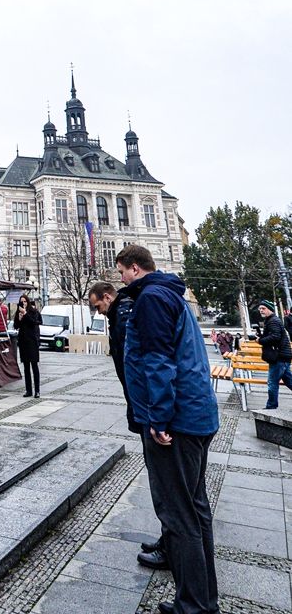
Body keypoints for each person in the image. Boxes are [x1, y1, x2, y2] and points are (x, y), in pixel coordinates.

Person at [118, 244, 219, 614]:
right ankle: (202, 599)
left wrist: (158, 419)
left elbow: (159, 362)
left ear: (134, 268)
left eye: (122, 272)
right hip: (196, 415)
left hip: (176, 422)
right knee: (195, 508)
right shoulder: (172, 294)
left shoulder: (152, 299)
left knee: (179, 515)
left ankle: (194, 606)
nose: (121, 279)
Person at [88, 280, 168, 572]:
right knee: (160, 477)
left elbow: (142, 363)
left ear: (106, 297)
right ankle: (168, 539)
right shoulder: (124, 311)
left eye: (98, 305)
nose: (98, 311)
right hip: (144, 405)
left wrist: (150, 412)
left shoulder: (126, 312)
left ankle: (172, 545)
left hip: (148, 407)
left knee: (163, 479)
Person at [256, 300, 292, 409]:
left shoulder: (273, 321)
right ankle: (271, 405)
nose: (261, 310)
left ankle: (271, 407)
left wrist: (260, 340)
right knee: (289, 381)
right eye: (260, 308)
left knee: (272, 382)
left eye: (263, 308)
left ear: (270, 309)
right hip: (282, 356)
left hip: (279, 357)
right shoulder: (272, 320)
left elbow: (275, 337)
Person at [13, 294, 42, 398]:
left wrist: (25, 313)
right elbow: (16, 326)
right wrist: (19, 318)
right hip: (23, 341)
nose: (23, 303)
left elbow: (34, 322)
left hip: (32, 341)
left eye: (25, 301)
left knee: (34, 366)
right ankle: (28, 390)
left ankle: (37, 391)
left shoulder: (33, 311)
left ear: (28, 302)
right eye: (21, 302)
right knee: (26, 367)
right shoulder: (18, 312)